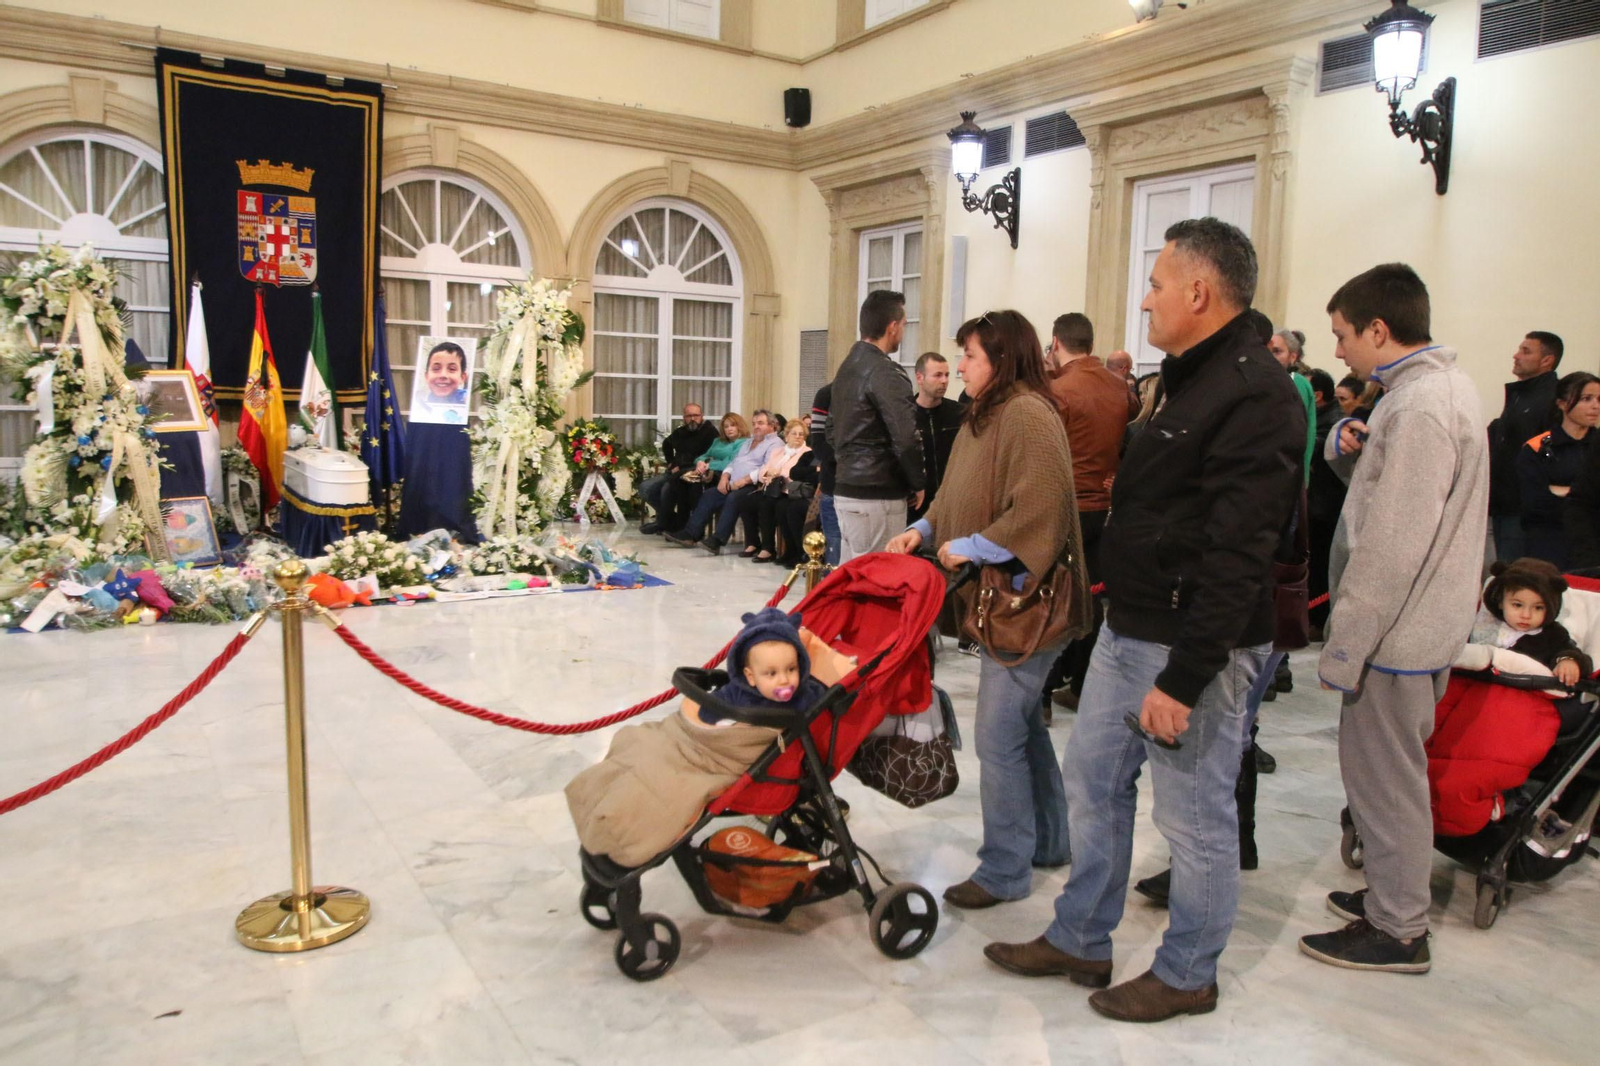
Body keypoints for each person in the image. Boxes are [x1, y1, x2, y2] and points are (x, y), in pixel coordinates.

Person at [983, 218, 1302, 1024]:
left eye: (1157, 282)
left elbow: (1239, 552)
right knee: (1095, 781)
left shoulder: (1254, 392)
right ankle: (1082, 934)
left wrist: (1188, 677)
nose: (1146, 298)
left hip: (1197, 643)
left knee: (1193, 817)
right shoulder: (1188, 376)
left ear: (1199, 292)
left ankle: (1189, 969)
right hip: (1134, 626)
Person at [1300, 263, 1488, 975]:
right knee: (1385, 773)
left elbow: (1393, 543)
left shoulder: (1419, 406)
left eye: (1345, 335)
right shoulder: (1432, 392)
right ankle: (1390, 892)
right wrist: (1351, 454)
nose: (1340, 351)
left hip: (1399, 632)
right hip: (1419, 621)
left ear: (1380, 329)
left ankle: (1399, 927)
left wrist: (1347, 645)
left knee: (1385, 777)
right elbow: (1392, 502)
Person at [886, 309, 1086, 909]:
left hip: (1030, 604)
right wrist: (922, 530)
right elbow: (956, 496)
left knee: (998, 738)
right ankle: (1049, 841)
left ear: (1001, 358)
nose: (961, 368)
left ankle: (1004, 869)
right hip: (1005, 599)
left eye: (969, 356)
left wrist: (969, 546)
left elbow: (1039, 511)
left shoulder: (1027, 412)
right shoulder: (986, 414)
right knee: (1022, 729)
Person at [1040, 312, 1138, 718]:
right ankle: (1082, 686)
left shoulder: (1057, 390)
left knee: (1050, 599)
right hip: (1105, 506)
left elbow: (1044, 454)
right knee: (1092, 600)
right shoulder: (1121, 388)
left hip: (1066, 506)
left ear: (1057, 343)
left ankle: (1041, 696)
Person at [828, 290, 925, 561]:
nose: (903, 332)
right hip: (877, 492)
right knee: (878, 580)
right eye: (904, 325)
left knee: (853, 576)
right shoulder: (885, 371)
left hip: (847, 487)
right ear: (892, 327)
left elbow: (831, 432)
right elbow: (906, 437)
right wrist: (918, 481)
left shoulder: (846, 368)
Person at [1488, 332, 1563, 562]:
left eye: (1526, 351)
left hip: (1522, 512)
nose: (1516, 355)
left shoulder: (1553, 399)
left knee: (1516, 578)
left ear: (1547, 361)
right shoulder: (1520, 396)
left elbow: (1551, 455)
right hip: (1501, 504)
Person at [1455, 559, 1591, 684]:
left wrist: (1568, 661)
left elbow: (1571, 651)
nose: (1526, 615)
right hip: (1472, 684)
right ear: (1501, 602)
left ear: (1551, 608)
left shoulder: (1552, 634)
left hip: (1521, 693)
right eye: (1517, 605)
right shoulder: (1483, 622)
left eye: (1538, 608)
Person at [1516, 371, 1600, 569]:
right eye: (1586, 399)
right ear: (1561, 403)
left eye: (1599, 399)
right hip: (1549, 546)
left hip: (1593, 549)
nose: (1595, 406)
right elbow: (1534, 505)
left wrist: (1563, 491)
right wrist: (1580, 498)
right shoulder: (1538, 447)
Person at [665, 410, 779, 554]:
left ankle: (717, 540)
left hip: (755, 486)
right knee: (710, 494)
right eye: (754, 423)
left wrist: (743, 481)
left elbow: (767, 469)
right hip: (733, 482)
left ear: (772, 425)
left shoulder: (775, 444)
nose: (756, 426)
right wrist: (725, 477)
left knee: (734, 498)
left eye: (760, 423)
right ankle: (691, 534)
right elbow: (734, 462)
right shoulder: (748, 442)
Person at [737, 420, 817, 563]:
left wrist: (777, 473)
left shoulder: (806, 452)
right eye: (794, 434)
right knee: (745, 501)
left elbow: (794, 474)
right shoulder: (778, 451)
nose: (798, 437)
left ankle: (770, 548)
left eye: (801, 434)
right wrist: (768, 473)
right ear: (786, 436)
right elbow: (763, 470)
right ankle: (754, 542)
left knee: (770, 505)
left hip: (787, 491)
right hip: (772, 489)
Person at [1306, 368, 1347, 637]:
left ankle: (1316, 622)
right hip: (1315, 507)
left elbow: (1318, 447)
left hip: (1323, 511)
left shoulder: (1331, 423)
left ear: (1317, 395)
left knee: (1319, 570)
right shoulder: (1318, 418)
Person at [639, 403, 717, 534]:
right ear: (684, 418)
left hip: (693, 474)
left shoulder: (710, 432)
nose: (693, 419)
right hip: (674, 471)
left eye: (696, 415)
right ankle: (670, 521)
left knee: (666, 490)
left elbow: (710, 457)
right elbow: (666, 444)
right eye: (689, 416)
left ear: (702, 416)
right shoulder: (681, 431)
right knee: (645, 488)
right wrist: (671, 463)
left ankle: (665, 522)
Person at [910, 352, 963, 522]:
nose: (944, 380)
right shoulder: (905, 416)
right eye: (937, 375)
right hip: (916, 506)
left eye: (947, 375)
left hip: (952, 504)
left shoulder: (960, 413)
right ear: (920, 377)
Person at [808, 383, 841, 565]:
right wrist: (846, 458)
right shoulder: (827, 393)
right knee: (834, 544)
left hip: (865, 488)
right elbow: (818, 444)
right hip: (833, 483)